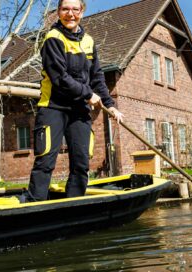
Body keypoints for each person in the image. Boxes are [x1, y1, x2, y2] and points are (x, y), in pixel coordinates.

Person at [21, 0, 124, 202]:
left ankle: (74, 204)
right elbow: (60, 78)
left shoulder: (88, 42)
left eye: (75, 9)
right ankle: (35, 205)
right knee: (45, 161)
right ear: (58, 12)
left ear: (82, 12)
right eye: (65, 9)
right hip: (52, 107)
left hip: (79, 110)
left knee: (81, 161)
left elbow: (97, 77)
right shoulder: (53, 38)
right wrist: (88, 94)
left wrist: (110, 105)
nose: (70, 14)